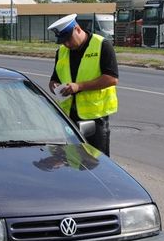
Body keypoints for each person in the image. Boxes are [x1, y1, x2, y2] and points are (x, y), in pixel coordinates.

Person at [47, 13, 119, 156]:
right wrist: (55, 86)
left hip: (95, 118)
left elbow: (112, 78)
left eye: (68, 39)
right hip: (69, 118)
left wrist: (79, 86)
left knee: (96, 161)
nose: (66, 44)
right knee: (72, 158)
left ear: (78, 29)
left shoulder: (102, 45)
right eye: (63, 41)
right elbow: (54, 79)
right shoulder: (62, 51)